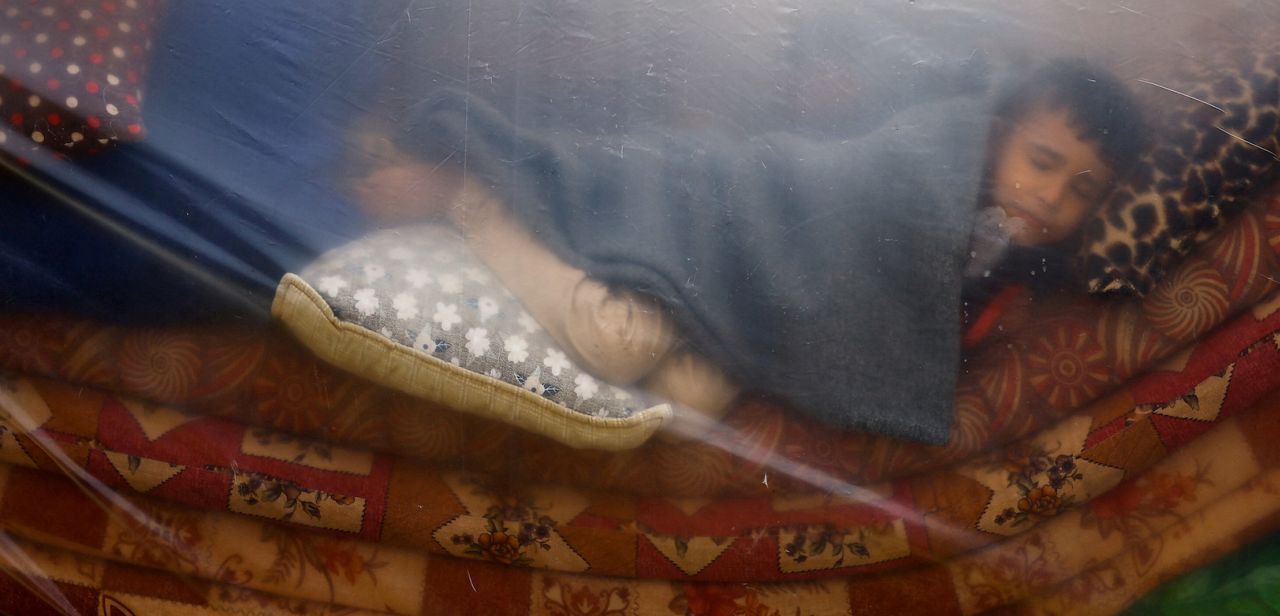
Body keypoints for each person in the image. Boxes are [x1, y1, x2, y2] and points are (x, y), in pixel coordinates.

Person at [353, 59, 1145, 442]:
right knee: (616, 340)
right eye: (1043, 163)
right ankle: (476, 191)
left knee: (690, 403)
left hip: (754, 309)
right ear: (998, 134)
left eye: (1083, 189)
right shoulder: (933, 161)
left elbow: (900, 323)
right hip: (733, 219)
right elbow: (820, 195)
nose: (1052, 198)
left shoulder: (1015, 273)